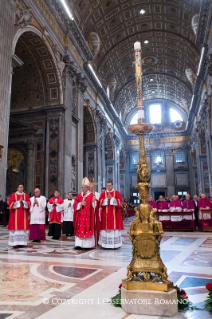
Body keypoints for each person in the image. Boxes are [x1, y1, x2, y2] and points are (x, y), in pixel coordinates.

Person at [73, 177, 100, 249]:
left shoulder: (91, 195)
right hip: (80, 216)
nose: (83, 189)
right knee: (79, 229)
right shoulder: (79, 195)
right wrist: (80, 204)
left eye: (84, 187)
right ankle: (78, 244)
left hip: (88, 216)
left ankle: (87, 245)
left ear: (88, 188)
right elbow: (75, 204)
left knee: (87, 229)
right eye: (82, 187)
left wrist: (94, 201)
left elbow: (95, 206)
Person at [98, 180, 124, 249]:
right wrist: (106, 200)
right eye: (107, 185)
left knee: (114, 229)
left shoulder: (116, 193)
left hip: (114, 214)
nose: (108, 187)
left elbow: (119, 202)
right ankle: (105, 244)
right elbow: (100, 202)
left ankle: (115, 245)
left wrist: (112, 199)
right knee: (105, 229)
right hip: (105, 215)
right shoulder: (103, 193)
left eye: (110, 185)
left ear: (112, 185)